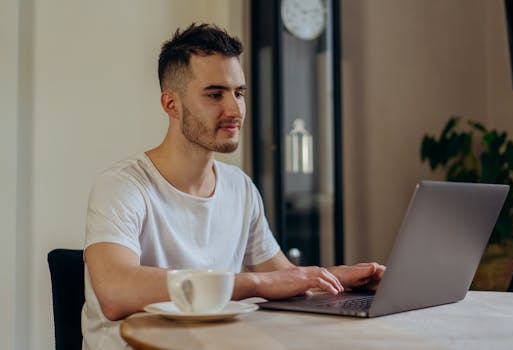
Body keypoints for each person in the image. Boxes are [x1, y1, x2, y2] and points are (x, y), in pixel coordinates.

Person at [82, 23, 385, 350]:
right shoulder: (122, 185)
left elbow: (286, 279)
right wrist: (258, 283)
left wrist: (338, 276)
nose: (234, 109)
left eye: (239, 93)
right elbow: (114, 292)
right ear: (171, 105)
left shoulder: (240, 187)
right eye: (215, 94)